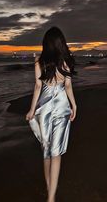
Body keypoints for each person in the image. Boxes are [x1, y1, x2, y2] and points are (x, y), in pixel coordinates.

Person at [25, 26, 77, 202]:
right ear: (61, 43)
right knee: (56, 153)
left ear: (45, 43)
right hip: (62, 107)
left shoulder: (39, 60)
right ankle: (51, 197)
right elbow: (68, 86)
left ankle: (50, 192)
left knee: (46, 151)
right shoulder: (66, 61)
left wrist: (32, 110)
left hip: (44, 109)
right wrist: (74, 105)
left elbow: (38, 86)